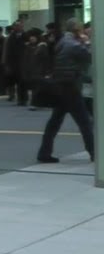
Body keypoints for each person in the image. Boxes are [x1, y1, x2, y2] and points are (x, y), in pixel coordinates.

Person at [37, 19, 96, 163]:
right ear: (76, 30)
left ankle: (44, 152)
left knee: (54, 122)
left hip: (60, 86)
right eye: (81, 29)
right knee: (85, 122)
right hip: (71, 87)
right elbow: (89, 56)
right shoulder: (73, 44)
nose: (82, 31)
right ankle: (95, 153)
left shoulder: (63, 41)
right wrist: (87, 42)